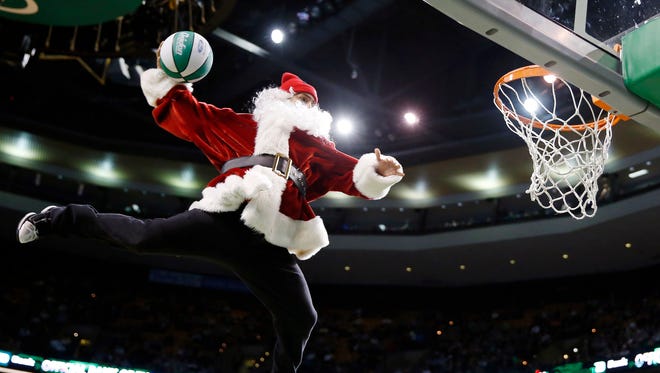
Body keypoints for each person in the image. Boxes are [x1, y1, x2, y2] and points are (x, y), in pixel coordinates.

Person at [16, 63, 404, 372]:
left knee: (302, 315)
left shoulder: (320, 150)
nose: (304, 105)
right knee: (143, 238)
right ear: (278, 99)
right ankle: (57, 218)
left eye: (309, 101)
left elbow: (356, 175)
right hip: (223, 216)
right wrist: (170, 78)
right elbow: (189, 114)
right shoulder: (239, 125)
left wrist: (380, 171)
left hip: (268, 242)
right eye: (297, 97)